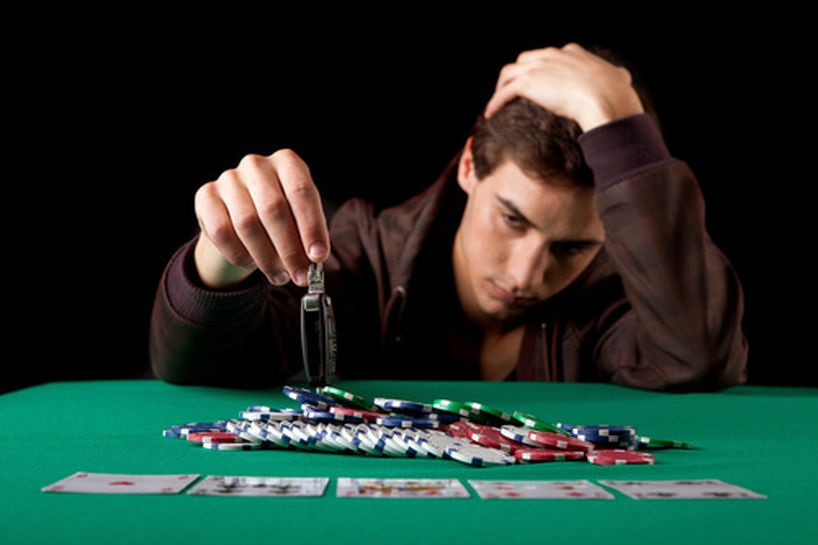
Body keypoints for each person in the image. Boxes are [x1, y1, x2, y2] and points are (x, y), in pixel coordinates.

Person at [149, 43, 748, 392]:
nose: (526, 274)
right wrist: (222, 256)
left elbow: (699, 357)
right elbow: (201, 367)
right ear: (468, 166)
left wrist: (616, 118)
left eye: (572, 247)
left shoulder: (618, 301)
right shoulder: (363, 253)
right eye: (512, 219)